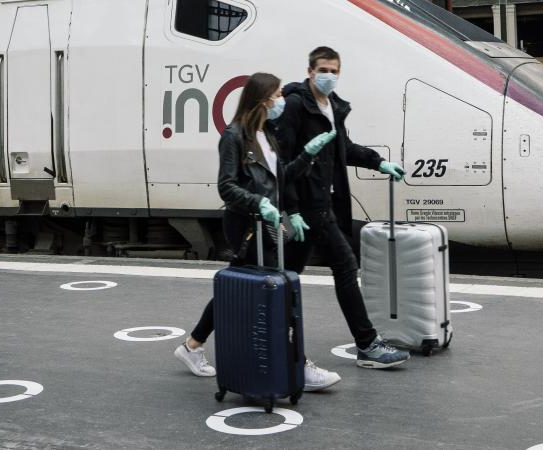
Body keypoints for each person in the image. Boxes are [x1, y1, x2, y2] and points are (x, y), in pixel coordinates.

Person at [173, 72, 342, 392]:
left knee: (246, 288)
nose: (282, 101)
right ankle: (299, 365)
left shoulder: (266, 135)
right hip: (247, 226)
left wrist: (308, 153)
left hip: (269, 224)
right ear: (262, 99)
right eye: (277, 95)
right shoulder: (234, 136)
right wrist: (259, 203)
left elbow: (282, 177)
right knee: (275, 289)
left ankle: (192, 346)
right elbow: (226, 187)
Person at [274, 46, 411, 369]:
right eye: (323, 70)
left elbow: (343, 149)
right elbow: (283, 164)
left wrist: (379, 162)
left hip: (325, 203)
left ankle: (243, 333)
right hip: (307, 208)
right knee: (345, 267)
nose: (329, 76)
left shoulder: (333, 106)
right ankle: (367, 344)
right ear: (310, 71)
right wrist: (291, 209)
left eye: (334, 70)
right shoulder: (295, 106)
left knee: (284, 275)